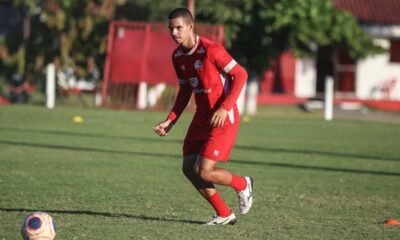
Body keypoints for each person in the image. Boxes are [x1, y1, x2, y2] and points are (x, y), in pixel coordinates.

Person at [153, 8, 253, 225]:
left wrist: (225, 107)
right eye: (171, 29)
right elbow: (185, 91)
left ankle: (243, 184)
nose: (175, 33)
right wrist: (170, 120)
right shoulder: (178, 57)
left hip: (223, 118)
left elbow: (241, 74)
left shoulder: (211, 50)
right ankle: (224, 214)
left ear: (191, 26)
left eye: (179, 28)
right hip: (201, 118)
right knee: (189, 168)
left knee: (204, 171)